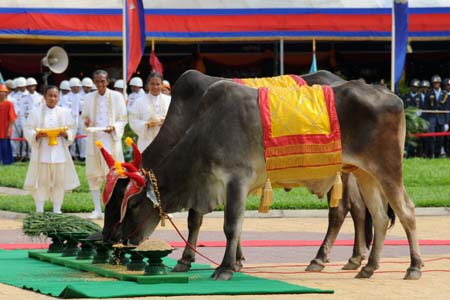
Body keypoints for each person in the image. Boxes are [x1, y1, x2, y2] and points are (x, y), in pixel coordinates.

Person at [23, 86, 79, 213]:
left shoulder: (65, 112)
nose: (53, 98)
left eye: (55, 96)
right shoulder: (35, 112)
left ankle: (57, 209)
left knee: (59, 182)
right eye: (50, 95)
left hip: (60, 154)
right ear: (44, 97)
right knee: (42, 181)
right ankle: (39, 209)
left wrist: (65, 134)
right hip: (42, 153)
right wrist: (37, 135)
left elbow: (72, 128)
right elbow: (28, 129)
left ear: (58, 97)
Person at [82, 70, 127, 219]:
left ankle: (113, 210)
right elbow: (84, 118)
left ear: (108, 82)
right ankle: (97, 209)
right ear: (94, 82)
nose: (100, 84)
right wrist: (86, 122)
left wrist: (114, 127)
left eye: (103, 81)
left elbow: (122, 118)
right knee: (94, 174)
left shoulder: (117, 96)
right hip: (95, 140)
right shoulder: (88, 98)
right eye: (97, 81)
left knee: (115, 175)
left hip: (111, 140)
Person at [129, 72, 171, 151]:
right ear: (148, 85)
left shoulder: (169, 100)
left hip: (166, 141)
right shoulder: (139, 102)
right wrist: (146, 124)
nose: (155, 87)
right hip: (146, 141)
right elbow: (132, 120)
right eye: (152, 84)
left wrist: (166, 121)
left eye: (158, 84)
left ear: (162, 85)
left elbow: (176, 118)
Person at [423, 75, 448, 158]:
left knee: (440, 138)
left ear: (440, 84)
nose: (436, 84)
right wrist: (425, 121)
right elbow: (425, 108)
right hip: (431, 118)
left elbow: (447, 109)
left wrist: (446, 123)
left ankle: (438, 154)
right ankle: (432, 154)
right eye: (434, 83)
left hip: (441, 118)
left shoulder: (444, 94)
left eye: (437, 83)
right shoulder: (429, 93)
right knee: (432, 137)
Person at [0, 79, 17, 165]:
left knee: (5, 146)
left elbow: (12, 118)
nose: (1, 93)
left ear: (6, 93)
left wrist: (9, 130)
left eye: (2, 92)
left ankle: (7, 161)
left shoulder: (9, 104)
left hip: (4, 129)